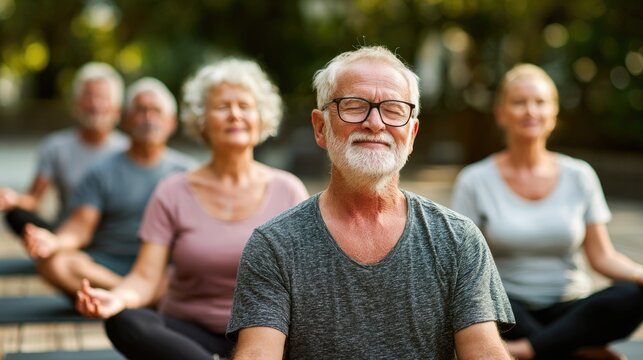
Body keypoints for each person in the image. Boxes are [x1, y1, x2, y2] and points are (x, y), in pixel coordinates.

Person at [226, 46, 514, 359]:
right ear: (320, 127)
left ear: (412, 134)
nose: (375, 123)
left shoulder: (458, 239)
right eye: (353, 106)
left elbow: (485, 352)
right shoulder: (274, 245)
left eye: (393, 109)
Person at [76, 58, 309, 360]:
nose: (235, 114)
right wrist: (116, 299)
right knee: (126, 321)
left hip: (264, 336)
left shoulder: (288, 190)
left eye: (245, 106)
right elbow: (145, 277)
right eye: (223, 106)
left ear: (260, 117)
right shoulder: (173, 190)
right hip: (186, 336)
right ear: (202, 119)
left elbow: (305, 287)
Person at [451, 64, 643, 360]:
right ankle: (577, 348)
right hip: (508, 309)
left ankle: (525, 351)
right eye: (519, 102)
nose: (530, 111)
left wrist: (640, 274)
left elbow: (602, 256)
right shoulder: (474, 180)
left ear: (553, 114)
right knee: (478, 301)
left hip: (572, 306)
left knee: (631, 296)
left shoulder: (580, 175)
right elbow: (463, 267)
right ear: (501, 113)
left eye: (540, 102)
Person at [22, 77, 196, 296]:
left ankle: (127, 296)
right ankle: (137, 296)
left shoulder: (189, 173)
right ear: (126, 120)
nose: (148, 118)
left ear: (172, 122)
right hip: (106, 266)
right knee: (52, 263)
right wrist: (54, 242)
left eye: (156, 111)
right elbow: (80, 227)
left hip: (161, 267)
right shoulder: (101, 171)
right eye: (141, 111)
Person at [0, 62, 129, 236]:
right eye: (88, 96)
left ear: (117, 108)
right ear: (76, 103)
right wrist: (13, 199)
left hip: (111, 236)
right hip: (66, 231)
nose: (95, 105)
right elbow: (34, 199)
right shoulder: (55, 146)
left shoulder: (128, 149)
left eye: (102, 97)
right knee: (16, 215)